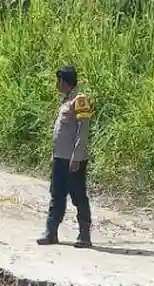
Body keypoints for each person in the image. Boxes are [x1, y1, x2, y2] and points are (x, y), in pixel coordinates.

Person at [37, 65, 95, 248]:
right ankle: (51, 232)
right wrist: (55, 156)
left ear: (64, 81)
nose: (56, 84)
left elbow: (82, 130)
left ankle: (84, 235)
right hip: (60, 158)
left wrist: (77, 156)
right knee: (57, 195)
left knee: (78, 196)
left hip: (73, 159)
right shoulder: (66, 101)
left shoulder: (80, 100)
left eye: (58, 80)